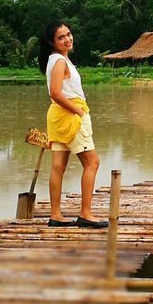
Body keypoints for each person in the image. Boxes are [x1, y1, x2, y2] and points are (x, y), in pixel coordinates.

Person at [38, 20, 104, 228]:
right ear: (52, 42)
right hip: (70, 115)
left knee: (58, 166)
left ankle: (56, 214)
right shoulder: (59, 61)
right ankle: (85, 213)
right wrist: (77, 110)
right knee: (92, 163)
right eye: (61, 37)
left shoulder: (54, 60)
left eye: (68, 34)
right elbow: (55, 92)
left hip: (58, 117)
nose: (67, 39)